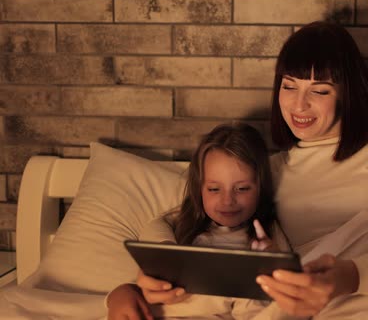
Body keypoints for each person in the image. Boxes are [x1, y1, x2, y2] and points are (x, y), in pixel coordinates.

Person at [108, 21, 368, 319]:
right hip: (298, 304)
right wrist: (136, 281)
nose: (298, 105)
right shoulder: (270, 169)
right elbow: (175, 218)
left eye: (319, 90)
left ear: (348, 94)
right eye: (289, 86)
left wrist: (351, 276)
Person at [106, 122, 292, 320]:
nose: (227, 201)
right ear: (200, 189)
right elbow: (157, 225)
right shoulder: (188, 221)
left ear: (260, 188)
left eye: (242, 189)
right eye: (214, 189)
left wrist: (271, 259)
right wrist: (166, 248)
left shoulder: (266, 229)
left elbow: (289, 280)